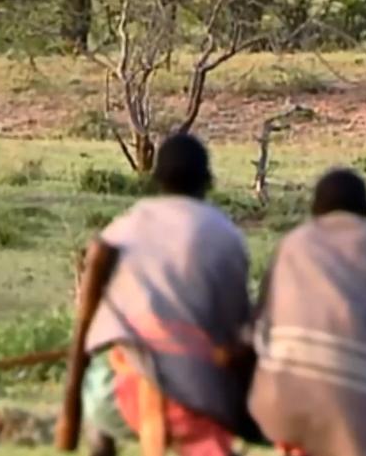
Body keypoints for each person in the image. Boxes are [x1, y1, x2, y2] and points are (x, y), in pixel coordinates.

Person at [81, 133, 262, 456]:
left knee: (106, 365)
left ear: (156, 178)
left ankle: (99, 441)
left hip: (112, 399)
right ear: (208, 181)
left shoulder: (124, 226)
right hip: (196, 396)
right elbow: (234, 334)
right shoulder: (225, 236)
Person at [248, 168, 366, 456]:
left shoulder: (293, 245)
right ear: (365, 210)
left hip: (283, 406)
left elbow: (259, 325)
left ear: (316, 210)